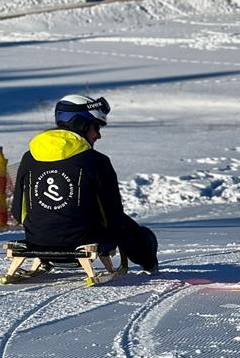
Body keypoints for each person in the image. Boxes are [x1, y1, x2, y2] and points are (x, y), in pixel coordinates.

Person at [11, 94, 158, 274]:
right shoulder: (97, 161)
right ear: (80, 124)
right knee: (135, 231)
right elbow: (114, 217)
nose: (98, 135)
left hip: (37, 240)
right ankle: (149, 263)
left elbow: (18, 211)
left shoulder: (28, 158)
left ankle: (49, 257)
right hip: (86, 241)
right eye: (96, 127)